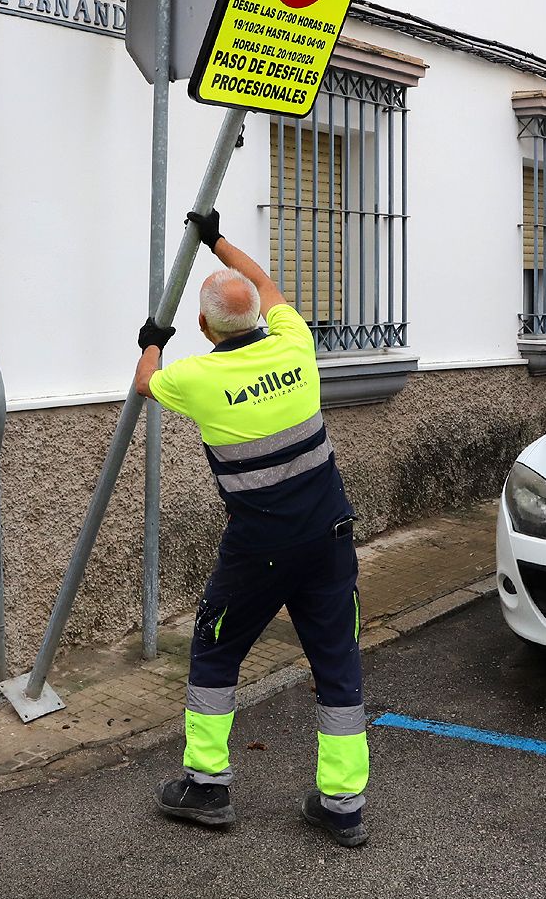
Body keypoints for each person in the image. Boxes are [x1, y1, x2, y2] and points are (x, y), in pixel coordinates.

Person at [134, 210, 370, 848]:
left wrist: (154, 337)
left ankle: (207, 786)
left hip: (258, 553)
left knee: (216, 651)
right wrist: (218, 241)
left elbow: (145, 381)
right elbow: (266, 284)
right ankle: (343, 806)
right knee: (338, 666)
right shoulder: (296, 344)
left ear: (206, 326)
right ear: (260, 321)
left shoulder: (197, 379)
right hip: (329, 540)